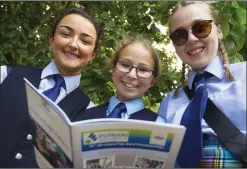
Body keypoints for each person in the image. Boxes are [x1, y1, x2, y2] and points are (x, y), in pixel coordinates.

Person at [0, 6, 102, 167]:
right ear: (51, 39)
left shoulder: (90, 114)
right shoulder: (6, 75)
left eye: (85, 41)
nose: (74, 44)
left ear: (93, 55)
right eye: (65, 34)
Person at [157, 1, 246, 168]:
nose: (191, 38)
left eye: (200, 28)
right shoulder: (169, 103)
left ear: (219, 30)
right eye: (179, 35)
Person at [76, 37, 165, 122]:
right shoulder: (85, 117)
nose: (132, 75)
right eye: (125, 65)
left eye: (143, 70)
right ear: (113, 68)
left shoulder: (158, 125)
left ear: (153, 81)